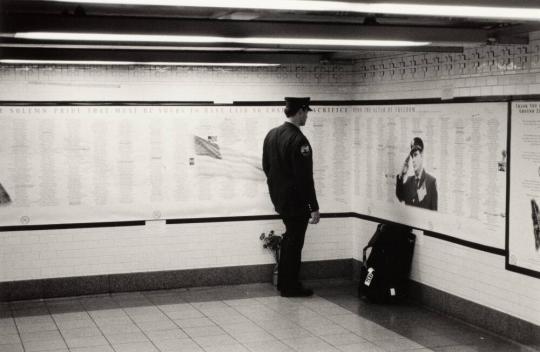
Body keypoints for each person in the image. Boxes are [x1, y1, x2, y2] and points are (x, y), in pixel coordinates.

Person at [262, 97, 320, 297]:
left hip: (280, 199)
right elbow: (305, 178)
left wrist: (277, 190)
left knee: (289, 239)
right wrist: (314, 206)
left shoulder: (272, 135)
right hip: (296, 202)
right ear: (300, 111)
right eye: (306, 112)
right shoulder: (299, 140)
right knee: (295, 243)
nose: (307, 117)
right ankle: (290, 286)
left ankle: (284, 283)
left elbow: (266, 167)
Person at [396, 137, 438, 211]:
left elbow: (434, 212)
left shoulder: (431, 182)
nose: (413, 160)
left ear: (422, 155)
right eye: (412, 157)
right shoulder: (408, 182)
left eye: (415, 155)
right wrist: (401, 175)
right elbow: (400, 197)